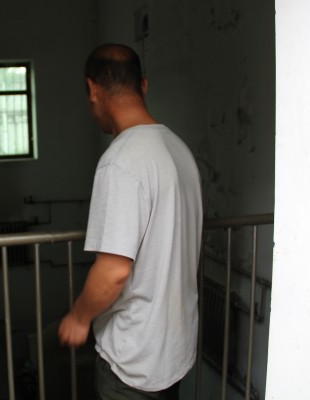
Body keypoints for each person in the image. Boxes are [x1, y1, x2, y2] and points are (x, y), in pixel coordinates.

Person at [58, 44, 203, 399]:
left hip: (134, 358)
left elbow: (114, 271)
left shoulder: (120, 161)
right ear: (144, 86)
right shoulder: (178, 149)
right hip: (174, 348)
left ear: (92, 89)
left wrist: (79, 317)